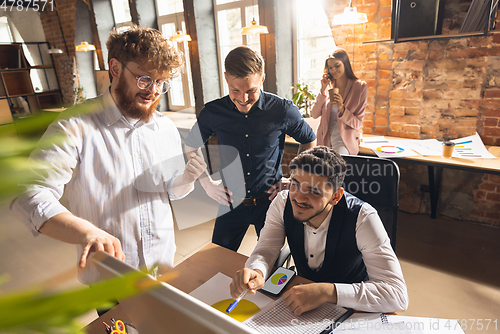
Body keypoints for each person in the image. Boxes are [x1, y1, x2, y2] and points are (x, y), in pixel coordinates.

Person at [10, 26, 206, 285]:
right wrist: (86, 232)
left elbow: (170, 190)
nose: (153, 91)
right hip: (109, 276)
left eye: (160, 82)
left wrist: (188, 178)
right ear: (115, 69)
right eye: (144, 79)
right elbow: (29, 192)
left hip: (162, 266)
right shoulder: (74, 124)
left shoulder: (165, 127)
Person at [230, 146, 408, 314]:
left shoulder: (363, 218)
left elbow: (397, 295)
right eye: (295, 184)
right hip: (301, 302)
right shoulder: (282, 202)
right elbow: (266, 249)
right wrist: (257, 270)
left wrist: (327, 291)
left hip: (353, 306)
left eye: (314, 191)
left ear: (335, 196)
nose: (299, 198)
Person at [185, 46, 316, 252]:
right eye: (235, 90)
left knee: (272, 264)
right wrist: (207, 183)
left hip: (270, 202)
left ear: (262, 79)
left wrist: (294, 179)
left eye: (251, 91)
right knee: (218, 260)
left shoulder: (282, 109)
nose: (243, 99)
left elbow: (309, 139)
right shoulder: (213, 112)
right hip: (230, 202)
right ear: (226, 78)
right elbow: (191, 147)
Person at [311, 49, 367, 155]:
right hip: (324, 141)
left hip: (344, 142)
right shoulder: (328, 87)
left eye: (337, 66)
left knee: (338, 167)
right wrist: (322, 90)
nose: (333, 70)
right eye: (330, 67)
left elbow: (357, 123)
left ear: (345, 64)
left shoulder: (360, 87)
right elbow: (314, 115)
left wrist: (342, 109)